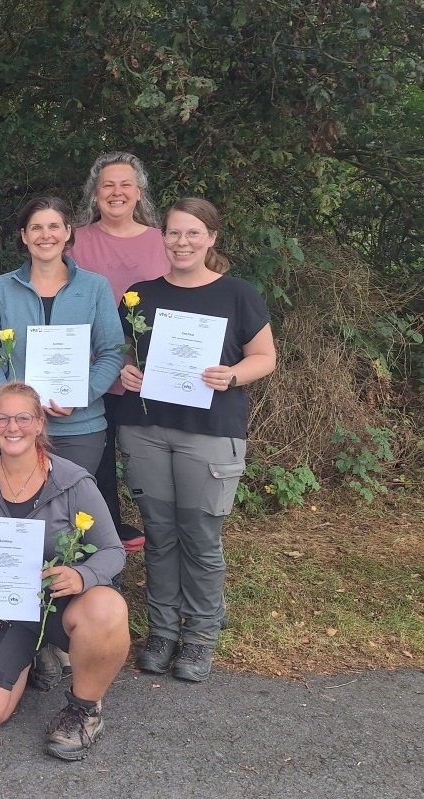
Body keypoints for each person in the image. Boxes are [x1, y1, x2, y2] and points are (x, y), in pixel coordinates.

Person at [118, 198, 276, 682]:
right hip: (146, 429)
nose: (182, 242)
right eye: (173, 233)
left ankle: (201, 635)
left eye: (192, 234)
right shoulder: (139, 295)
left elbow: (265, 357)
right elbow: (126, 353)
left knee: (201, 537)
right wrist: (127, 372)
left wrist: (231, 374)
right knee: (160, 535)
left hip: (210, 432)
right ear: (161, 238)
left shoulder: (237, 294)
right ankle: (163, 631)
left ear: (211, 238)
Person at [0, 382, 128, 761]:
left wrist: (82, 577)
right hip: (3, 607)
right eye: (2, 418)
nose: (13, 427)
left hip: (58, 603)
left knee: (107, 607)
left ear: (40, 422)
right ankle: (29, 655)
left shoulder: (74, 481)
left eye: (23, 417)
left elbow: (113, 551)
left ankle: (84, 710)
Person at [0, 195, 124, 476]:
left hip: (80, 428)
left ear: (68, 232)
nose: (46, 236)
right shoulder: (0, 288)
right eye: (36, 228)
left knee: (69, 511)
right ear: (24, 235)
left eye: (54, 226)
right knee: (17, 508)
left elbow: (112, 352)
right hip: (14, 428)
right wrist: (8, 405)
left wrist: (80, 396)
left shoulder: (95, 287)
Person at [70, 152, 169, 552]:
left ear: (139, 192)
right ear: (95, 194)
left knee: (152, 463)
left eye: (125, 184)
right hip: (92, 371)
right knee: (98, 463)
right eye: (107, 185)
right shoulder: (74, 241)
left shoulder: (163, 241)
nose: (116, 192)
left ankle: (163, 541)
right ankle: (104, 543)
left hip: (153, 372)